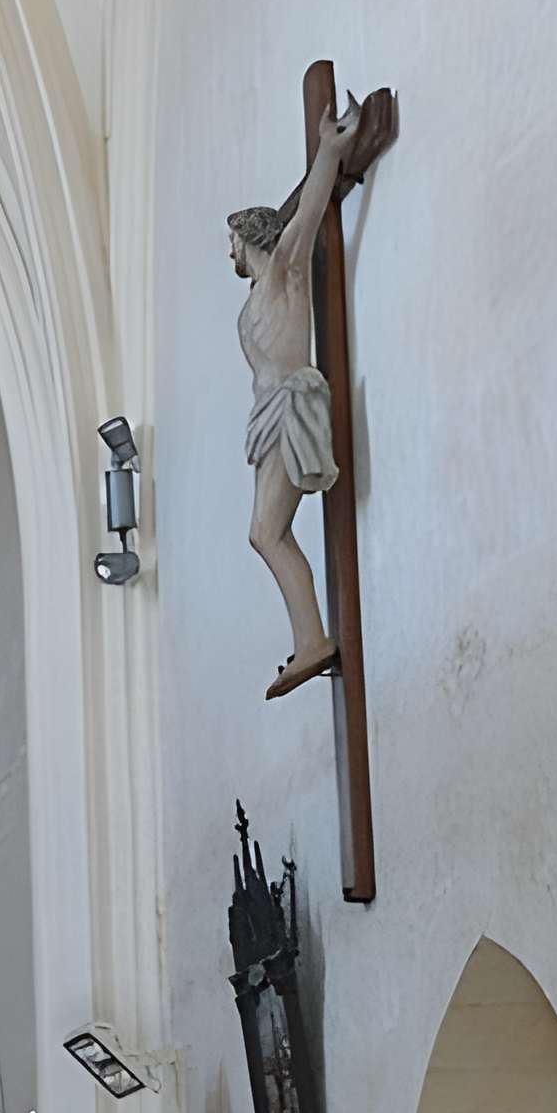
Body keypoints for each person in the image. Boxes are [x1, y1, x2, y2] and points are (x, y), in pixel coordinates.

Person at [230, 93, 372, 698]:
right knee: (264, 531)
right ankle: (310, 638)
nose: (229, 252)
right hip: (271, 418)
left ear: (249, 235)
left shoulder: (286, 269)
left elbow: (311, 209)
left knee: (266, 531)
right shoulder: (257, 294)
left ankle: (313, 641)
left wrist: (331, 148)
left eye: (232, 240)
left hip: (292, 407)